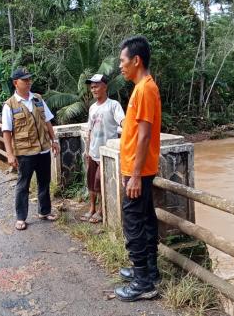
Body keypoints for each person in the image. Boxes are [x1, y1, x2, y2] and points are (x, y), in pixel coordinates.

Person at [114, 36, 162, 302]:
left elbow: (143, 136)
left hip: (138, 172)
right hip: (139, 170)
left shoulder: (144, 89)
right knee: (145, 219)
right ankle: (148, 271)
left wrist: (133, 175)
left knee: (134, 223)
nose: (120, 66)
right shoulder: (143, 87)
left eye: (122, 61)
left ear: (136, 60)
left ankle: (143, 282)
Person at [2, 67, 60, 231]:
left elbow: (47, 121)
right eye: (24, 80)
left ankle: (45, 211)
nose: (28, 83)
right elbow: (7, 132)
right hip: (25, 152)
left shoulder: (38, 99)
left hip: (43, 150)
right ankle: (21, 217)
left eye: (29, 79)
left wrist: (53, 140)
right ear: (15, 83)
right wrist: (10, 155)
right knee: (23, 185)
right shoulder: (10, 105)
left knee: (44, 182)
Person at [81, 74, 125, 224]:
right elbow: (90, 130)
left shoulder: (113, 105)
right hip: (93, 151)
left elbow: (122, 121)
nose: (93, 89)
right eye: (92, 87)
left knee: (100, 181)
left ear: (105, 87)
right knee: (91, 180)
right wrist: (87, 150)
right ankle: (91, 208)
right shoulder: (92, 107)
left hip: (106, 153)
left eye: (97, 86)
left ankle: (100, 210)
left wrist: (129, 128)